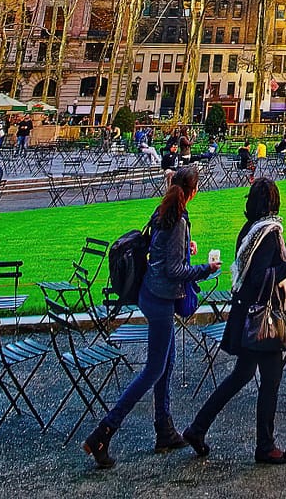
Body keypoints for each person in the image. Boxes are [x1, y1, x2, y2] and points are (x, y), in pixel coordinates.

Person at [84, 166, 217, 468]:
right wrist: (205, 270)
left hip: (150, 294)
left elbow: (161, 252)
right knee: (153, 370)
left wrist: (185, 250)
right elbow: (174, 271)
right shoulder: (179, 219)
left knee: (165, 365)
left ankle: (164, 428)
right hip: (160, 300)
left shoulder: (163, 211)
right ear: (193, 191)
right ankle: (103, 432)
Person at [183, 179, 286, 465]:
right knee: (271, 381)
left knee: (241, 375)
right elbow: (261, 277)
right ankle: (264, 446)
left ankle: (197, 428)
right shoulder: (270, 233)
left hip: (245, 314)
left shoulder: (249, 231)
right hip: (263, 319)